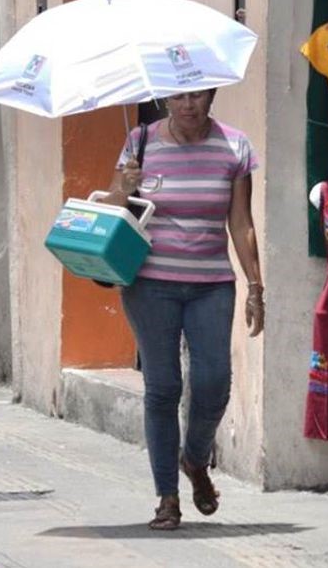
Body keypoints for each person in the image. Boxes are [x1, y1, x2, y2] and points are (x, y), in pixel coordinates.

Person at [101, 88, 264, 531]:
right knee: (163, 386)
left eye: (197, 96)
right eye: (178, 97)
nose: (188, 105)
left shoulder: (234, 146)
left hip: (212, 283)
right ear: (165, 101)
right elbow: (112, 208)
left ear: (212, 95)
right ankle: (166, 498)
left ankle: (194, 459)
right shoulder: (140, 142)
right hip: (150, 284)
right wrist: (125, 186)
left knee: (214, 382)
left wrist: (255, 286)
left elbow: (241, 221)